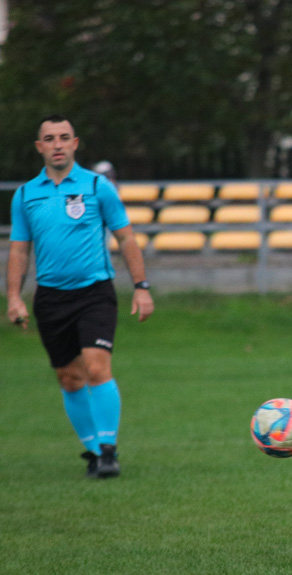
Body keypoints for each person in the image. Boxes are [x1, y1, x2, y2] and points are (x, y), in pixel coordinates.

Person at [6, 115, 154, 479]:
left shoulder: (98, 186)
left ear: (75, 144)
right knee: (69, 379)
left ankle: (108, 451)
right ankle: (92, 450)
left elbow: (127, 237)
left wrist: (141, 286)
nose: (57, 144)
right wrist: (13, 297)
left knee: (97, 366)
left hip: (95, 293)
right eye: (49, 138)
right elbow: (20, 252)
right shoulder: (25, 195)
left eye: (64, 137)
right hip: (51, 299)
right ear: (39, 146)